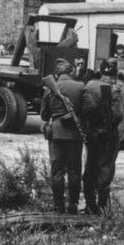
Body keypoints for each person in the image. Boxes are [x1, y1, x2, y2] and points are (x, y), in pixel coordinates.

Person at [40, 59, 86, 214]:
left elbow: (44, 115)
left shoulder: (49, 89)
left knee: (57, 170)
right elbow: (86, 110)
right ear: (71, 72)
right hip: (75, 133)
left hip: (56, 133)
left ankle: (58, 205)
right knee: (74, 170)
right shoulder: (80, 86)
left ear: (56, 74)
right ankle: (73, 204)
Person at [81, 57, 124, 214]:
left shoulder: (89, 85)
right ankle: (102, 207)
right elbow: (118, 115)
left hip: (90, 133)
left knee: (90, 166)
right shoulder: (114, 89)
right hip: (108, 136)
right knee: (105, 168)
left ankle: (89, 204)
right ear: (115, 73)